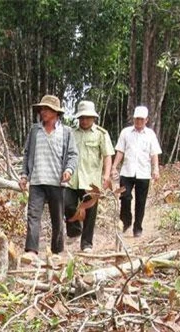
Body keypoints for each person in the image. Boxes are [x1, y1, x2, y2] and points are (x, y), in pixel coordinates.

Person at [19, 95, 78, 263]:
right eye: (42, 109)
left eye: (47, 109)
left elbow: (73, 155)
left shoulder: (66, 132)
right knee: (33, 215)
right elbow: (27, 154)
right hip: (37, 180)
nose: (43, 112)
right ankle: (31, 251)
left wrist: (68, 170)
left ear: (56, 113)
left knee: (57, 218)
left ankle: (57, 252)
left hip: (57, 182)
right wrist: (24, 175)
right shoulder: (35, 130)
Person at [64, 101, 115, 252]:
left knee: (90, 212)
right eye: (82, 118)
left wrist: (106, 175)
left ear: (93, 118)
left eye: (87, 117)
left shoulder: (101, 134)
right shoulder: (71, 134)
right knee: (67, 204)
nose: (84, 121)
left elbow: (107, 156)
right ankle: (74, 231)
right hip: (72, 179)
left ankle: (87, 243)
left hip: (91, 180)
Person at [111, 106, 161, 237]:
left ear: (146, 120)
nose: (138, 121)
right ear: (133, 119)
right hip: (126, 172)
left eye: (141, 119)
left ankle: (138, 227)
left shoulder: (150, 135)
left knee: (141, 201)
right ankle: (126, 221)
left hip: (143, 173)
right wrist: (114, 166)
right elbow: (120, 150)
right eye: (136, 119)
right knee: (125, 197)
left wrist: (156, 168)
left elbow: (154, 153)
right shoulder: (126, 132)